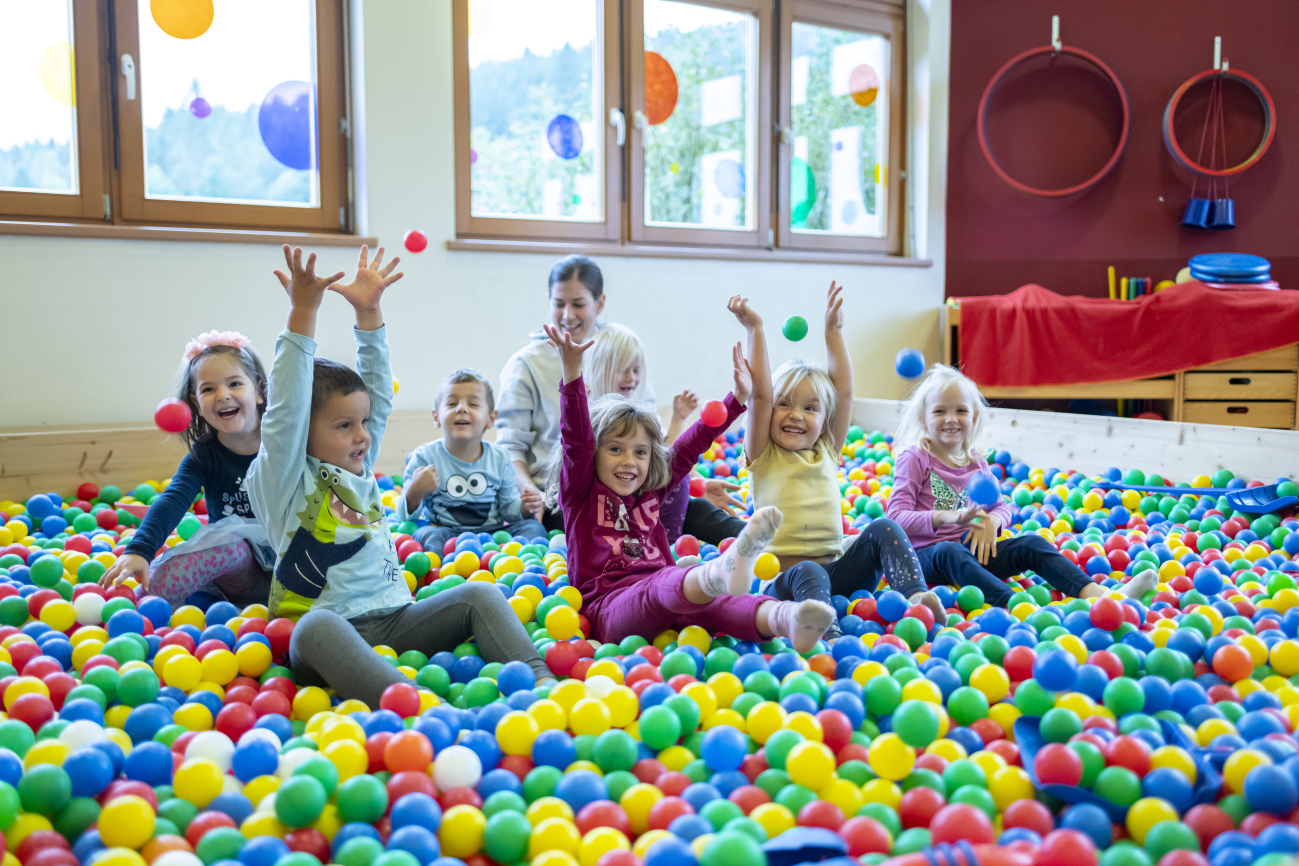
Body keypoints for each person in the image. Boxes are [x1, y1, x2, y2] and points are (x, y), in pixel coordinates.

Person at [247, 245, 553, 707]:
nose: (362, 436)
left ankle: (542, 683)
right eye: (344, 426)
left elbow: (377, 395)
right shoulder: (285, 478)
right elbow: (288, 404)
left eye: (363, 424)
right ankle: (419, 707)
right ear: (300, 433)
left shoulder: (359, 468)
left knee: (480, 593)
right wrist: (302, 311)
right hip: (329, 631)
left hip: (395, 620)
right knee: (314, 628)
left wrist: (369, 316)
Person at [543, 322, 835, 653]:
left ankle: (786, 618)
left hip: (672, 592)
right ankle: (717, 572)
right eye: (615, 449)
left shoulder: (649, 492)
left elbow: (688, 446)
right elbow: (575, 441)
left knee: (714, 604)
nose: (629, 461)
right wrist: (571, 372)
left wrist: (737, 398)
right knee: (667, 585)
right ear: (594, 454)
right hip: (611, 610)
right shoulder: (581, 494)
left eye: (640, 452)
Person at [730, 284, 944, 628]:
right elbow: (759, 398)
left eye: (809, 408)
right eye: (783, 404)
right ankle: (821, 630)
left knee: (883, 527)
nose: (795, 415)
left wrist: (834, 332)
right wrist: (755, 329)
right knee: (810, 570)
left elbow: (843, 392)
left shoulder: (827, 449)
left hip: (839, 574)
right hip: (787, 583)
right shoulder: (763, 453)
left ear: (824, 418)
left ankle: (917, 598)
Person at [495, 255, 746, 543]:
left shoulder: (617, 349)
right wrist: (532, 495)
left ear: (599, 303)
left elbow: (655, 449)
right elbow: (514, 447)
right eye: (558, 303)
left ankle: (766, 548)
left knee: (692, 506)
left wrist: (693, 484)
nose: (567, 314)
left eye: (578, 304)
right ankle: (659, 551)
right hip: (564, 494)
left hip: (629, 488)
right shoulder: (527, 365)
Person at [888, 364, 1158, 608]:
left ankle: (1104, 597)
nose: (951, 418)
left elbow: (1001, 506)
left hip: (969, 553)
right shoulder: (915, 458)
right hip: (921, 559)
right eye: (939, 411)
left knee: (1032, 543)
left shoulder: (975, 463)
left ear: (974, 418)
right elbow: (895, 519)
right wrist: (948, 517)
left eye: (961, 410)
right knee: (951, 550)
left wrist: (993, 522)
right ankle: (1015, 607)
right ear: (924, 418)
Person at [101, 332, 275, 609]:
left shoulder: (285, 442)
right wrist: (139, 550)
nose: (223, 395)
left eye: (234, 383)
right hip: (243, 575)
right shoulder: (204, 456)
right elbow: (173, 500)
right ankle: (141, 612)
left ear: (260, 392)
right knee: (223, 547)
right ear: (195, 403)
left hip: (299, 567)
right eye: (208, 389)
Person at [581, 322, 717, 545]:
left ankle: (753, 538)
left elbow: (668, 457)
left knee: (697, 505)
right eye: (622, 369)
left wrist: (678, 419)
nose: (631, 378)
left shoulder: (640, 417)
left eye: (636, 370)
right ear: (597, 370)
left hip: (644, 504)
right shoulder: (589, 415)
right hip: (607, 508)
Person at [395, 368, 546, 554]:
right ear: (436, 417)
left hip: (492, 537)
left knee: (534, 528)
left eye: (473, 404)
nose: (461, 408)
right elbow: (403, 515)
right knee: (426, 533)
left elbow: (508, 509)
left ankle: (505, 565)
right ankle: (444, 574)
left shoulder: (500, 457)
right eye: (451, 403)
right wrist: (414, 492)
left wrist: (524, 507)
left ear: (490, 419)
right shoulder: (425, 457)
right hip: (448, 536)